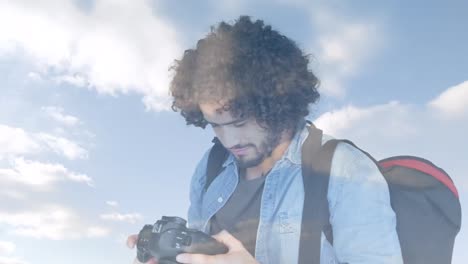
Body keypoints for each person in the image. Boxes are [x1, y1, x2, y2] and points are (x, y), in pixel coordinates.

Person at [128, 16, 403, 264]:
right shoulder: (210, 167)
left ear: (276, 103)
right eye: (215, 125)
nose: (229, 140)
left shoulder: (346, 170)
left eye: (240, 121)